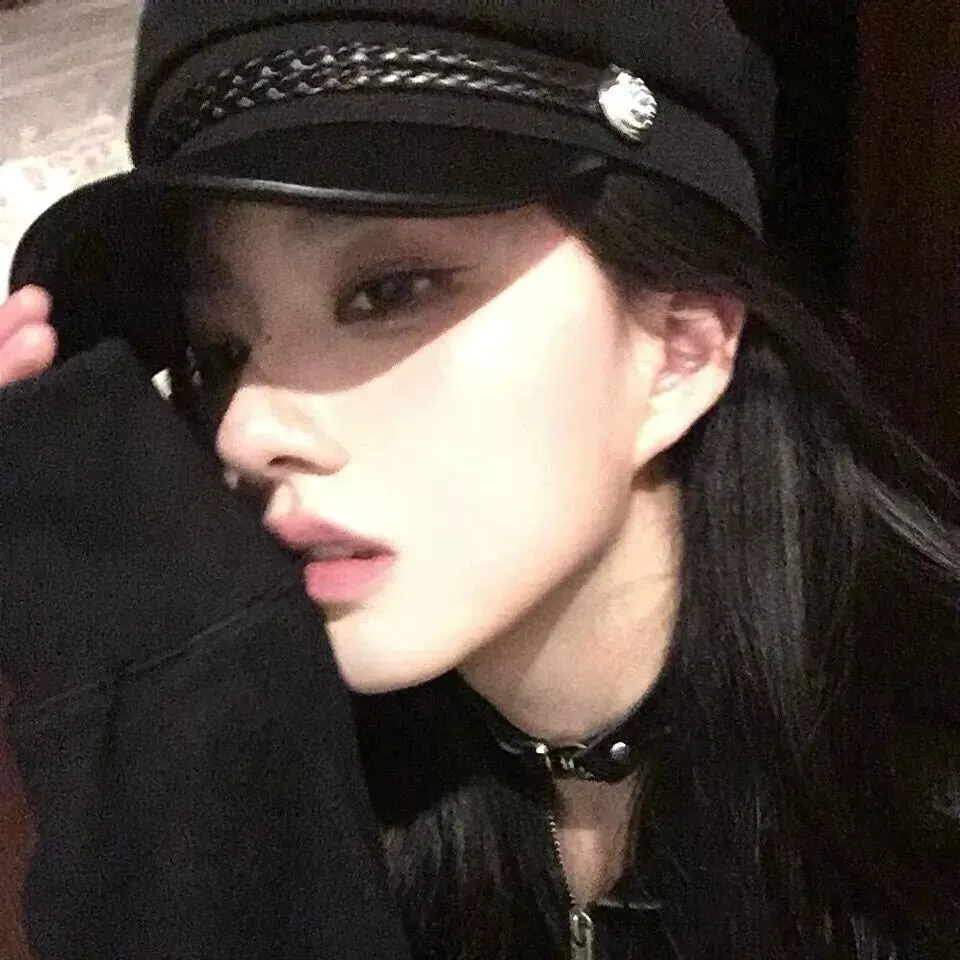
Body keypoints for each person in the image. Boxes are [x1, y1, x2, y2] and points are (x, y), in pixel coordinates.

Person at [2, 1, 959, 957]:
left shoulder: (917, 810)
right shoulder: (271, 769)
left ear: (679, 348)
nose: (245, 431)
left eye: (387, 291)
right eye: (217, 353)